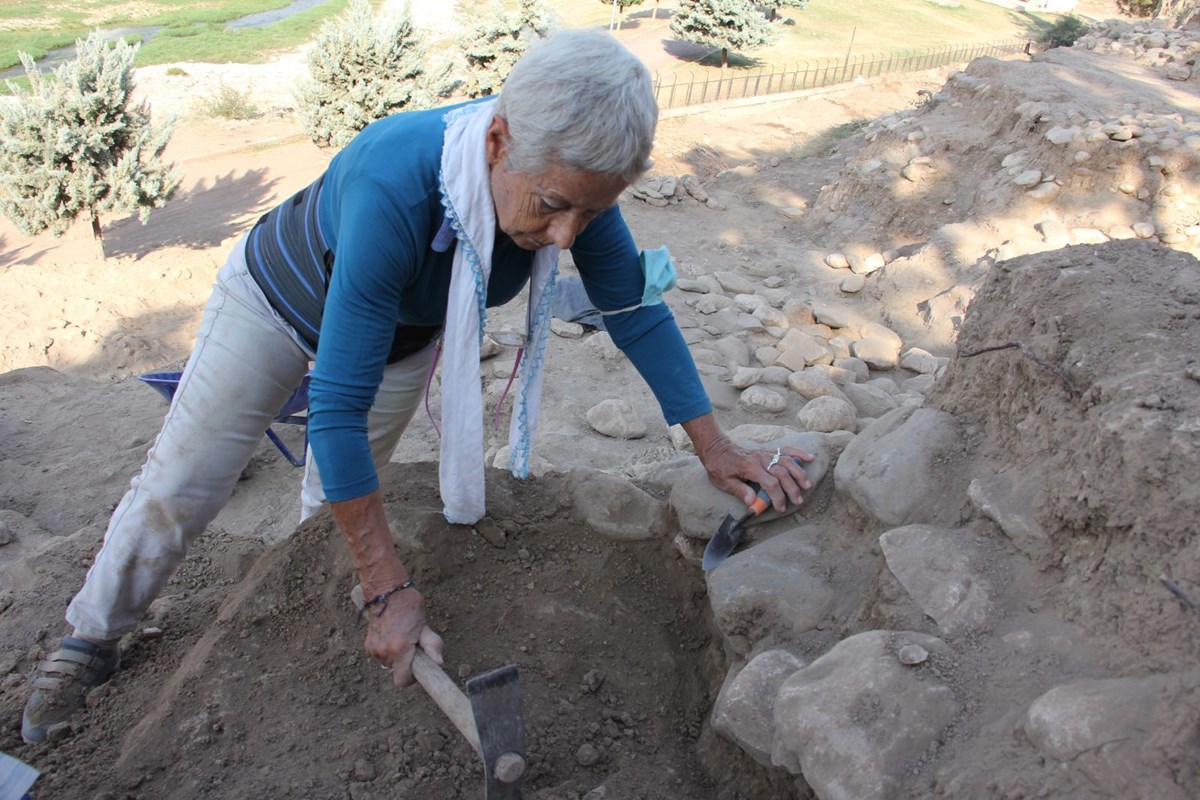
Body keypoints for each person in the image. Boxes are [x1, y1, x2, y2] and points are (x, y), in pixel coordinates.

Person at [20, 29, 812, 744]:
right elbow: (332, 404)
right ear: (498, 140)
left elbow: (633, 312)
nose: (567, 236)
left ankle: (321, 623)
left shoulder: (571, 179)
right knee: (185, 479)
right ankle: (91, 636)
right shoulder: (395, 182)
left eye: (590, 211)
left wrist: (716, 447)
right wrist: (389, 581)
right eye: (554, 207)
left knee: (330, 496)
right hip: (277, 300)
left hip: (404, 334)